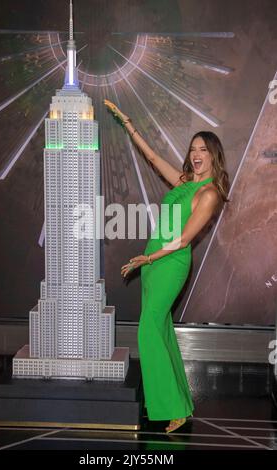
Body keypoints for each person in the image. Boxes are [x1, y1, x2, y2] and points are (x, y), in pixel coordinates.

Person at [104, 99, 230, 433]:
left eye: (202, 149)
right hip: (152, 261)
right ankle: (181, 404)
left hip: (169, 262)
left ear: (213, 154)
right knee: (160, 330)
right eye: (192, 149)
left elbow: (184, 239)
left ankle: (170, 406)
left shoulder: (209, 193)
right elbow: (154, 158)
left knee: (147, 330)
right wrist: (128, 123)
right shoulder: (186, 182)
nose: (195, 154)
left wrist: (150, 258)